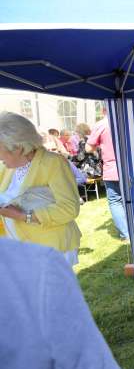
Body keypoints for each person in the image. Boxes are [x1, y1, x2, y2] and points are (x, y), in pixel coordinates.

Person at [0, 238, 134, 369]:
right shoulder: (35, 271)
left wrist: (25, 216)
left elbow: (68, 211)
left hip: (56, 243)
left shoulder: (36, 272)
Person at [0, 112, 82, 267]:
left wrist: (23, 216)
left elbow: (69, 208)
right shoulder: (7, 167)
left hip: (51, 249)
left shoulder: (53, 163)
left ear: (18, 147)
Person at [86, 111, 129, 241]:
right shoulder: (127, 122)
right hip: (129, 166)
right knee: (128, 199)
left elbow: (88, 148)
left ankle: (125, 234)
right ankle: (129, 230)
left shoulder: (102, 124)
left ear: (104, 110)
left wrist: (101, 145)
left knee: (115, 201)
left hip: (112, 167)